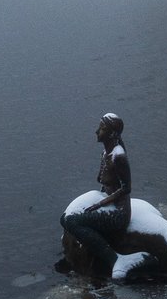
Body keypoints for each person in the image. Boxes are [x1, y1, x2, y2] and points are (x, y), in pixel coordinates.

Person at [61, 113, 154, 281]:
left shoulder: (118, 156)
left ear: (112, 133)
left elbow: (126, 188)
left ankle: (117, 260)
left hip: (119, 212)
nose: (97, 131)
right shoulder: (106, 153)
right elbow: (102, 181)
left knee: (72, 222)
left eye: (102, 128)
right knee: (65, 218)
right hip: (109, 203)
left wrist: (101, 203)